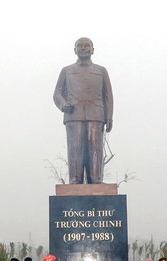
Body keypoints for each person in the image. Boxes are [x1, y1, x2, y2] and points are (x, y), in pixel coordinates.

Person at [53, 37, 114, 184]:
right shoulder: (67, 71)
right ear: (74, 50)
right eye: (80, 46)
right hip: (74, 115)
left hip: (96, 115)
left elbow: (108, 95)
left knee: (95, 148)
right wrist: (63, 104)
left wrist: (109, 117)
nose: (84, 48)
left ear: (93, 50)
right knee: (75, 149)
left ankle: (96, 179)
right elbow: (57, 93)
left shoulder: (101, 71)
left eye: (87, 46)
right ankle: (75, 180)